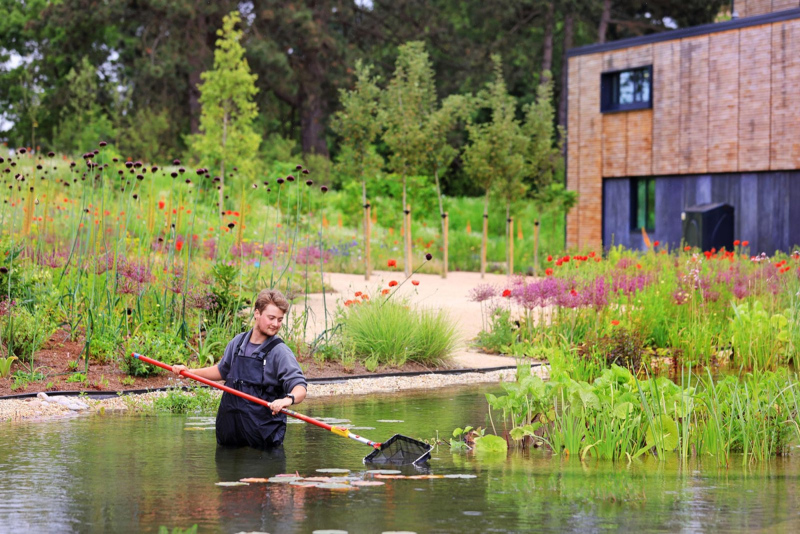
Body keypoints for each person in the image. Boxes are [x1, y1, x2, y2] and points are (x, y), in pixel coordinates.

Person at [172, 288, 307, 449]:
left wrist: (287, 400)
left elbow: (300, 387)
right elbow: (222, 370)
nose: (275, 324)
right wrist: (190, 373)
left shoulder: (280, 352)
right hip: (230, 431)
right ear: (257, 313)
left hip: (262, 438)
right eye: (271, 318)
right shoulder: (238, 342)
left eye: (280, 320)